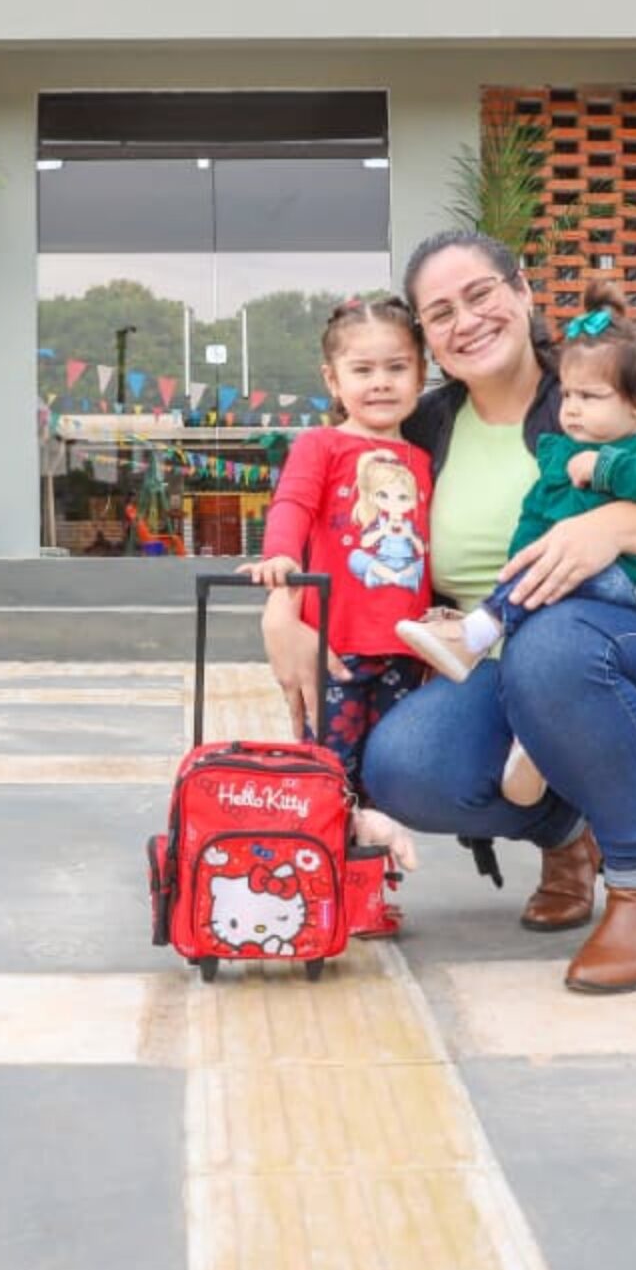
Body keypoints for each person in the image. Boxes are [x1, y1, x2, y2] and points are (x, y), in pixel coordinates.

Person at [261, 231, 636, 995]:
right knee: (401, 763)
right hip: (502, 669)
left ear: (522, 290)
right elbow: (336, 525)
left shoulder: (595, 386)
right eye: (440, 314)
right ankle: (567, 828)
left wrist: (616, 526)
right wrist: (287, 609)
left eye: (479, 295)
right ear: (427, 340)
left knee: (554, 642)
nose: (465, 321)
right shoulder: (424, 428)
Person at [395, 284, 636, 814]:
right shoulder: (549, 448)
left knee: (554, 624)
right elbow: (535, 516)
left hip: (632, 588)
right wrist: (518, 568)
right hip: (549, 620)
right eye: (568, 396)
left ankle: (479, 631)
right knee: (540, 609)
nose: (573, 410)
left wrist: (607, 470)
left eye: (590, 398)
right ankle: (536, 753)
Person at [240, 294, 432, 869]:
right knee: (328, 768)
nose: (380, 383)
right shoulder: (320, 444)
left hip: (405, 649)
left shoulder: (423, 458)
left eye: (397, 368)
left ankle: (370, 888)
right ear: (333, 378)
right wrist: (279, 558)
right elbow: (292, 505)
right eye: (363, 369)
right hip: (335, 648)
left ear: (421, 372)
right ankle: (317, 881)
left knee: (383, 778)